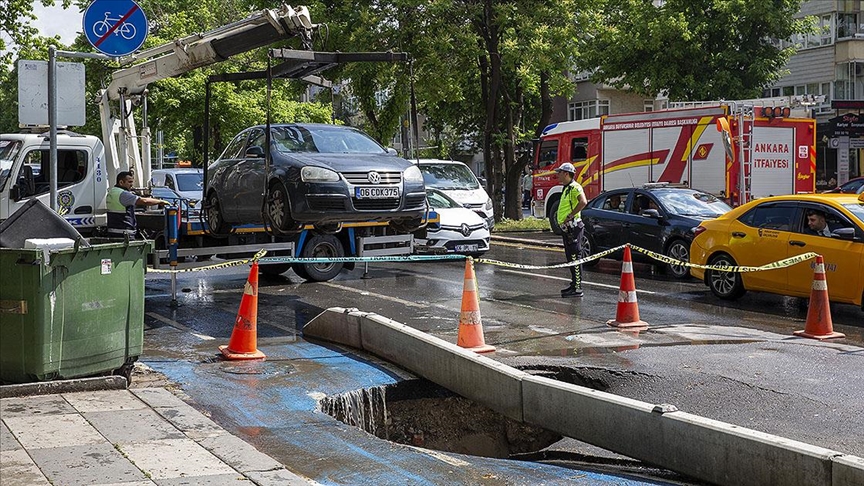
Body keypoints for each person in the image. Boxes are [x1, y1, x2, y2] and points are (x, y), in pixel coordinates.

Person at [555, 163, 588, 298]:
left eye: (560, 172)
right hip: (567, 229)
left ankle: (578, 288)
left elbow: (583, 202)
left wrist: (571, 215)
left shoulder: (575, 187)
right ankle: (574, 284)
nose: (557, 175)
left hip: (573, 228)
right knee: (570, 257)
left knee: (575, 257)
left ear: (566, 174)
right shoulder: (566, 188)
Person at [106, 171, 170, 237]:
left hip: (113, 231)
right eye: (129, 182)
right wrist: (160, 201)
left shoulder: (112, 192)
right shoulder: (123, 194)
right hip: (124, 232)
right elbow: (144, 201)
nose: (131, 185)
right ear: (121, 182)